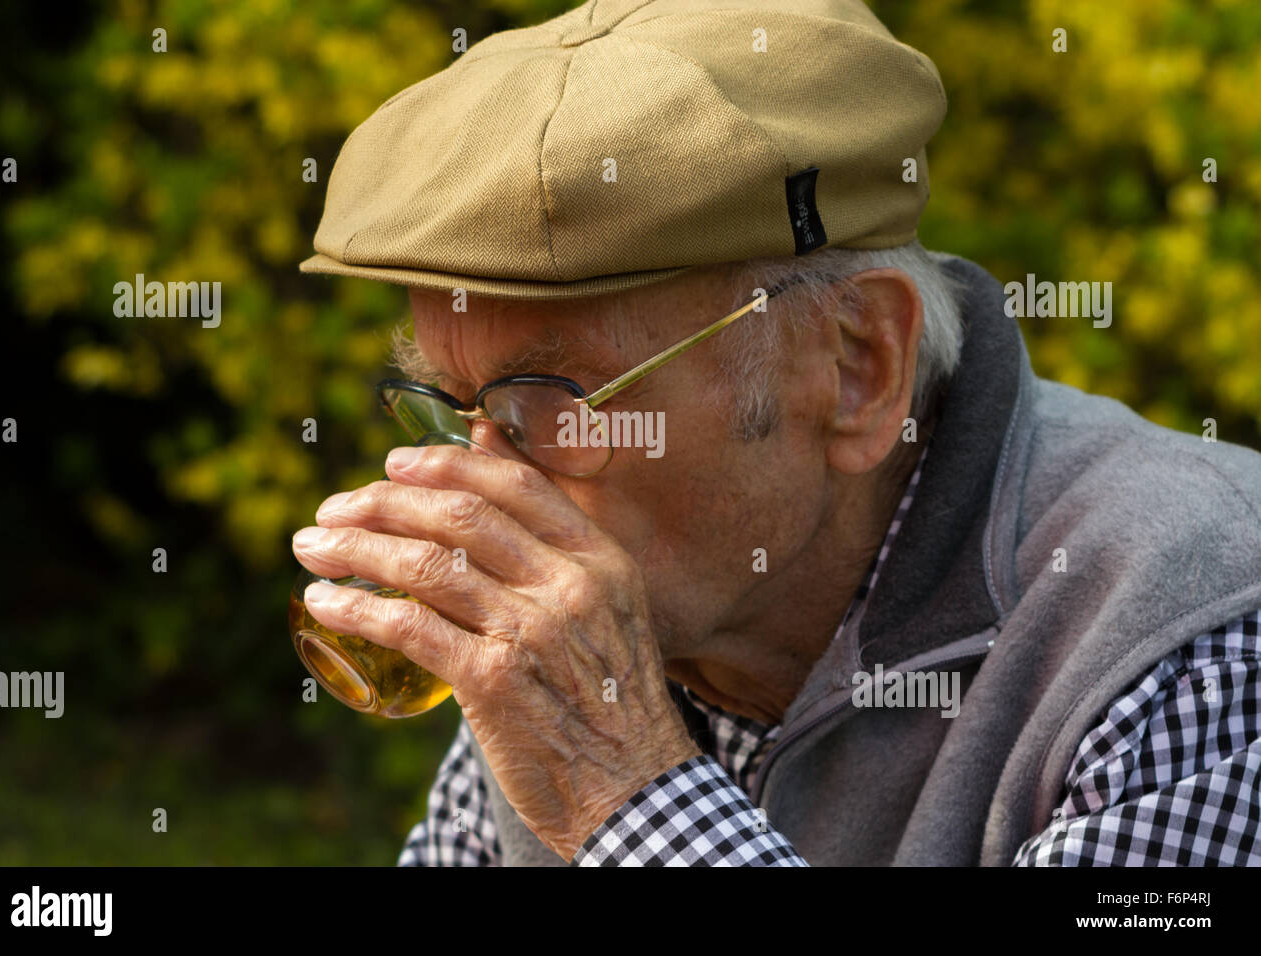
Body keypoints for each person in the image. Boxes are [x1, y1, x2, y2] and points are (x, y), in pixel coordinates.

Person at [292, 0, 1261, 865]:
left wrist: (629, 799)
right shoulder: (585, 653)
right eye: (456, 406)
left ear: (856, 365)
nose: (479, 487)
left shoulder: (1193, 637)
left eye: (551, 397)